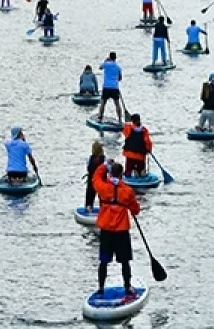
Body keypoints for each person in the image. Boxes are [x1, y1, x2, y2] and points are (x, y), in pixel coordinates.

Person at [93, 159, 141, 297]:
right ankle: (127, 287)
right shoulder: (127, 191)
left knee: (103, 261)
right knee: (125, 261)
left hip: (106, 231)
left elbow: (95, 178)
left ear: (110, 173)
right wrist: (131, 208)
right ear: (121, 175)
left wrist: (104, 165)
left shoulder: (103, 188)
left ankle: (101, 288)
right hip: (121, 231)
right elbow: (136, 209)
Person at [97, 53, 124, 125]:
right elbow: (120, 78)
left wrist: (106, 60)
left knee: (103, 103)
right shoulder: (118, 67)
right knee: (117, 104)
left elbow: (100, 67)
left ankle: (100, 118)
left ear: (109, 57)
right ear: (115, 58)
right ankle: (120, 120)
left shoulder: (106, 64)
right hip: (115, 87)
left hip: (106, 87)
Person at [84, 141, 106, 211]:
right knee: (103, 196)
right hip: (102, 181)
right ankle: (103, 207)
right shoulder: (104, 159)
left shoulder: (90, 159)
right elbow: (107, 169)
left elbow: (88, 167)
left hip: (92, 180)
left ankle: (88, 206)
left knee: (90, 195)